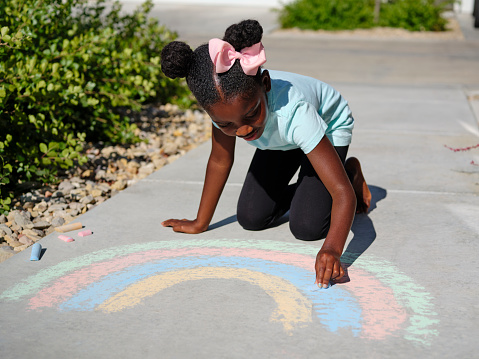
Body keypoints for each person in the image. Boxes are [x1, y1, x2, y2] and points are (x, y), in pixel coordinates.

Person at [160, 19, 371, 288]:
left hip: (325, 127)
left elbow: (341, 193)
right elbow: (220, 160)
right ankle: (314, 184)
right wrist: (201, 221)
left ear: (266, 84)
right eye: (227, 124)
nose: (242, 129)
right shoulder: (225, 109)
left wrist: (332, 249)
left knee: (308, 227)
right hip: (280, 137)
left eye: (250, 114)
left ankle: (349, 171)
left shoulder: (296, 112)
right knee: (251, 217)